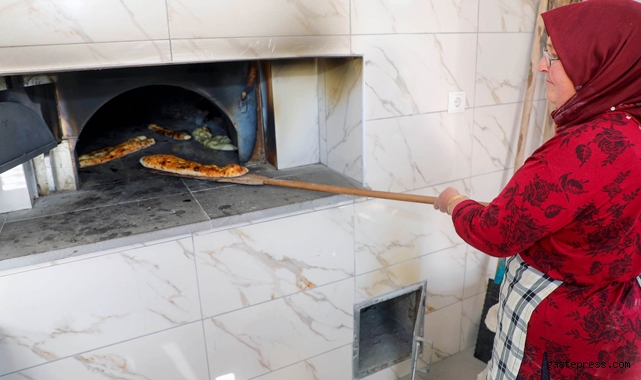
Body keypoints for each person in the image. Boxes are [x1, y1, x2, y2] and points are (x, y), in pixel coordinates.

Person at [433, 0, 641, 379]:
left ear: (600, 63)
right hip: (617, 323)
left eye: (556, 57)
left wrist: (454, 203)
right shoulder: (632, 126)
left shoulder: (582, 150)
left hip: (560, 333)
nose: (542, 65)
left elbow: (497, 232)